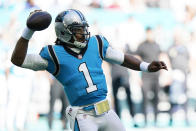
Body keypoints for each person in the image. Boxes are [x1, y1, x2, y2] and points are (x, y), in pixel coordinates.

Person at [11, 9, 168, 131]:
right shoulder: (53, 54)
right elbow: (18, 60)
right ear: (64, 32)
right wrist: (28, 30)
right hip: (83, 116)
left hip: (106, 111)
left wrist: (145, 66)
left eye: (83, 28)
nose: (83, 33)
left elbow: (123, 58)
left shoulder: (96, 43)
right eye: (77, 30)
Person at [136, 27, 162, 126]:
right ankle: (146, 121)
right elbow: (137, 60)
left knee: (156, 98)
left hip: (156, 76)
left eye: (151, 33)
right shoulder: (141, 46)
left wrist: (164, 73)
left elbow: (161, 58)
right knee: (145, 99)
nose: (149, 35)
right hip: (145, 77)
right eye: (148, 33)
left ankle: (156, 121)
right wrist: (137, 76)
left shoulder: (157, 45)